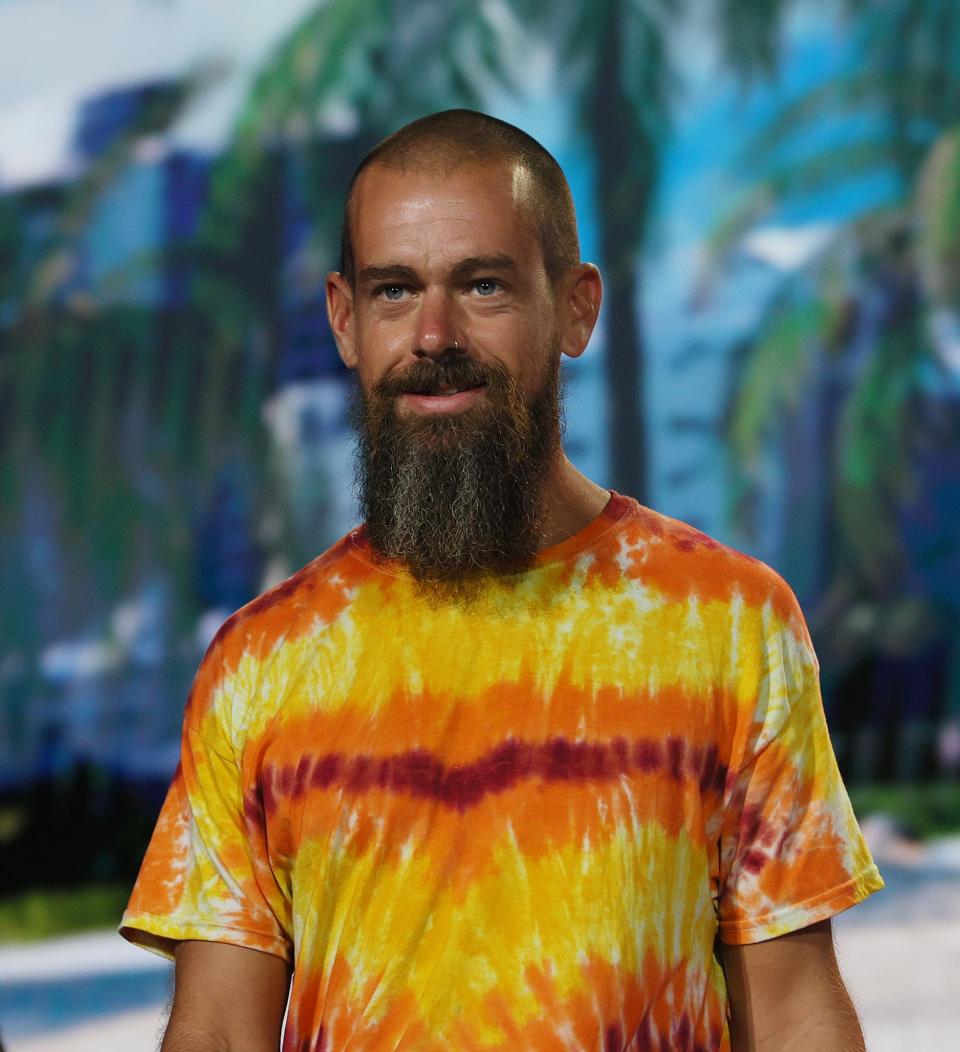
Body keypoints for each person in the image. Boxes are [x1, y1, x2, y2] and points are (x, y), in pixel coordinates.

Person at [120, 109, 884, 1051]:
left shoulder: (728, 621)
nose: (434, 334)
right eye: (395, 290)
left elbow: (796, 1009)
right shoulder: (262, 662)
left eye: (483, 285)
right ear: (345, 320)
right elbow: (220, 1035)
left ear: (575, 307)